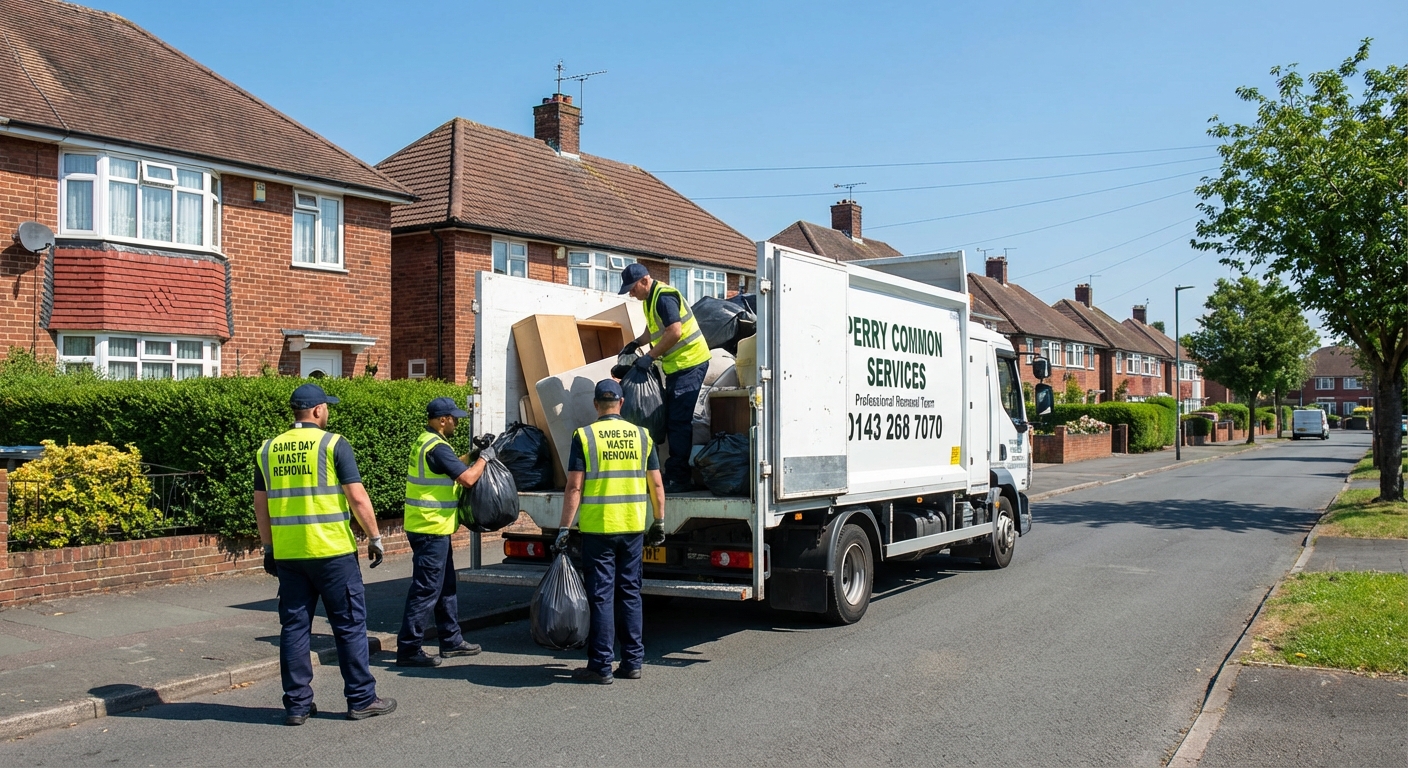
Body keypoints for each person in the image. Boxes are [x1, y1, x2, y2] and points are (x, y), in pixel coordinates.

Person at [254, 383, 394, 725]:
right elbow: (357, 497)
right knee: (349, 626)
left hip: (290, 555)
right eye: (326, 407)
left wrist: (269, 548)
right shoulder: (333, 444)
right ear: (317, 410)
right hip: (333, 554)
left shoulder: (267, 449)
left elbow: (261, 506)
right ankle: (361, 699)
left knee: (294, 628)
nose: (327, 411)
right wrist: (375, 537)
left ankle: (297, 705)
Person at [554, 379, 667, 684]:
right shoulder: (642, 436)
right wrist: (659, 522)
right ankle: (632, 663)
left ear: (596, 404)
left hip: (599, 528)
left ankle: (601, 666)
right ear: (622, 403)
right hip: (632, 526)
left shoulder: (585, 436)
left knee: (602, 596)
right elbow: (656, 484)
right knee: (630, 593)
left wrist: (564, 527)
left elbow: (574, 486)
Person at [396, 397, 495, 667]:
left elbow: (453, 465)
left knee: (445, 586)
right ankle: (408, 649)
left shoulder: (428, 441)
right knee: (426, 589)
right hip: (430, 529)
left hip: (430, 527)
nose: (456, 423)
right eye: (454, 419)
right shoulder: (437, 447)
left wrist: (475, 455)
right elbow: (468, 479)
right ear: (443, 420)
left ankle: (451, 640)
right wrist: (485, 459)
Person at [618, 263, 712, 493]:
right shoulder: (650, 299)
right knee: (673, 419)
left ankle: (679, 478)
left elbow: (674, 331)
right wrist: (637, 343)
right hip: (678, 366)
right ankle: (675, 473)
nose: (631, 294)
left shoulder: (664, 297)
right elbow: (654, 329)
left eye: (632, 288)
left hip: (690, 362)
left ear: (644, 281)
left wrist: (649, 357)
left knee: (678, 421)